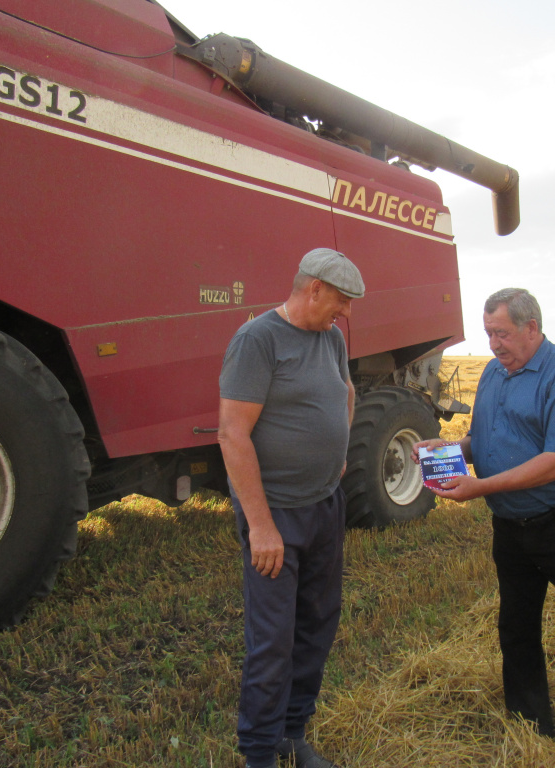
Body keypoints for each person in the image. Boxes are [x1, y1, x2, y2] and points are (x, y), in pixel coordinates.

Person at [414, 287, 555, 768]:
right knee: (516, 627)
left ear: (532, 328)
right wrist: (448, 449)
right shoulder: (493, 373)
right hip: (512, 528)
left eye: (502, 334)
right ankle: (532, 724)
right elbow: (486, 436)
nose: (493, 344)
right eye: (489, 334)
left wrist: (481, 488)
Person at [218, 247, 364, 768]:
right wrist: (260, 526)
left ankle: (292, 735)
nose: (345, 312)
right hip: (276, 514)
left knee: (318, 625)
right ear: (313, 289)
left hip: (326, 506)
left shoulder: (332, 339)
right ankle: (258, 752)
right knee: (272, 643)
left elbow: (345, 392)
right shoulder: (257, 340)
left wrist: (340, 451)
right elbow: (232, 435)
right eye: (341, 301)